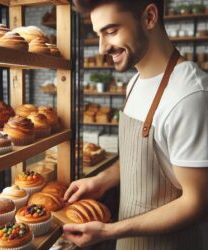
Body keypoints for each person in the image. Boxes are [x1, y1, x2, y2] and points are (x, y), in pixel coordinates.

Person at [63, 0, 208, 249]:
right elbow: (144, 157)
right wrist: (102, 180)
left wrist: (110, 231)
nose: (102, 47)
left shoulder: (190, 95)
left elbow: (197, 204)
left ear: (150, 17)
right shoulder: (134, 83)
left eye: (111, 31)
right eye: (98, 34)